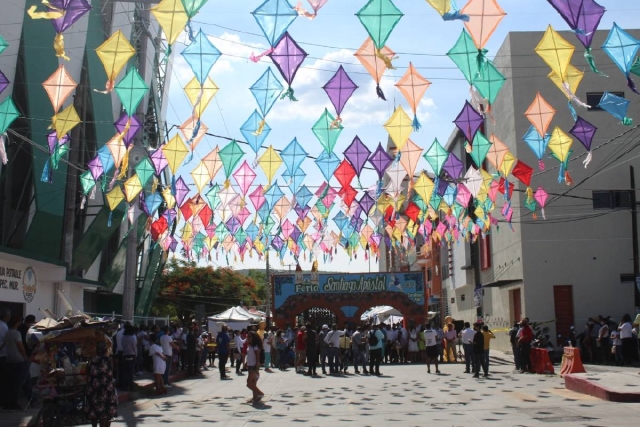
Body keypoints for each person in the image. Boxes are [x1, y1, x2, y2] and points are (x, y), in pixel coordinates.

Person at [85, 340, 117, 427]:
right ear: (106, 350)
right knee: (105, 412)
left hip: (93, 388)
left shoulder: (92, 359)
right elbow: (111, 373)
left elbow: (88, 372)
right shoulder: (109, 360)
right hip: (106, 388)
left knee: (94, 411)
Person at [1, 315, 27, 410]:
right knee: (17, 384)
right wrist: (25, 356)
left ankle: (7, 403)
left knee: (9, 383)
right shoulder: (16, 333)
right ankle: (14, 403)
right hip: (18, 360)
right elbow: (20, 347)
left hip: (9, 359)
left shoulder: (8, 332)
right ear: (17, 323)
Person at [246, 331, 264, 404]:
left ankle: (260, 393)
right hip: (250, 365)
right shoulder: (250, 345)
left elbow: (257, 357)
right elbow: (249, 355)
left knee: (249, 383)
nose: (248, 338)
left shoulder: (255, 346)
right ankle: (255, 398)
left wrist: (257, 367)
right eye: (248, 337)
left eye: (250, 337)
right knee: (253, 383)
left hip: (253, 366)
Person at [120, 322, 137, 391]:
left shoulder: (123, 337)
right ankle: (131, 386)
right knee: (131, 371)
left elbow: (122, 345)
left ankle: (126, 385)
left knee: (126, 371)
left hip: (125, 354)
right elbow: (134, 347)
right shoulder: (133, 337)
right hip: (132, 354)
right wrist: (136, 354)